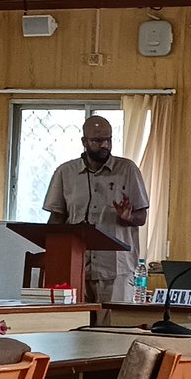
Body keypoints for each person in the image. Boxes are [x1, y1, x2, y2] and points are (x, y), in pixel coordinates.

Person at [44, 115, 149, 302]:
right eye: (98, 140)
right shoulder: (65, 172)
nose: (105, 145)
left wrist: (128, 217)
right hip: (75, 268)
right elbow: (56, 219)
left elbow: (141, 218)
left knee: (113, 328)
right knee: (75, 328)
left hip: (116, 270)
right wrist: (53, 255)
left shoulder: (127, 169)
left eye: (109, 139)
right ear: (84, 141)